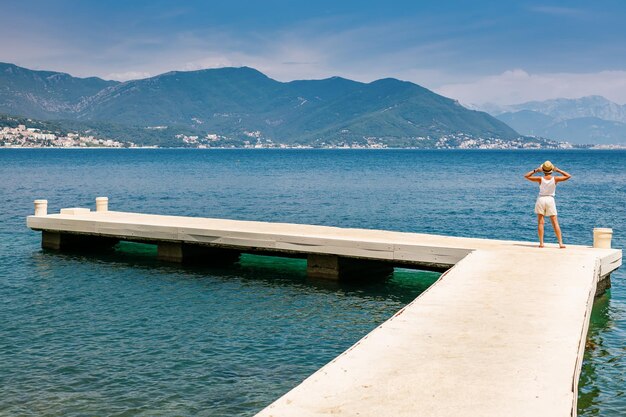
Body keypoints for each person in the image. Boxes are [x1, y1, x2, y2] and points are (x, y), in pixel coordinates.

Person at [524, 161, 571, 248]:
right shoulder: (555, 179)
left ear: (543, 170)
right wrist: (558, 170)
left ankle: (541, 243)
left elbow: (526, 176)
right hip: (550, 199)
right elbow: (568, 176)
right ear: (551, 170)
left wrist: (536, 170)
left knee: (541, 223)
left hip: (541, 199)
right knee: (555, 222)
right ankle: (560, 243)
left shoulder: (540, 179)